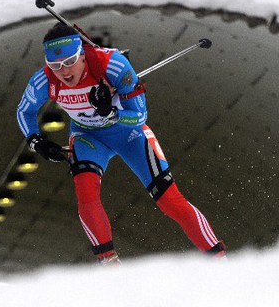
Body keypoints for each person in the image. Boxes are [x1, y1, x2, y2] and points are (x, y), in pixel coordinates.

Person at [16, 23, 225, 264]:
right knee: (86, 194)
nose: (64, 71)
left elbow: (140, 116)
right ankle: (109, 263)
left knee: (169, 200)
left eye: (70, 61)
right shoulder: (43, 80)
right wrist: (37, 141)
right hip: (88, 136)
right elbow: (24, 111)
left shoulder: (112, 65)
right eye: (55, 65)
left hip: (128, 134)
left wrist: (112, 113)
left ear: (82, 54)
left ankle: (218, 258)